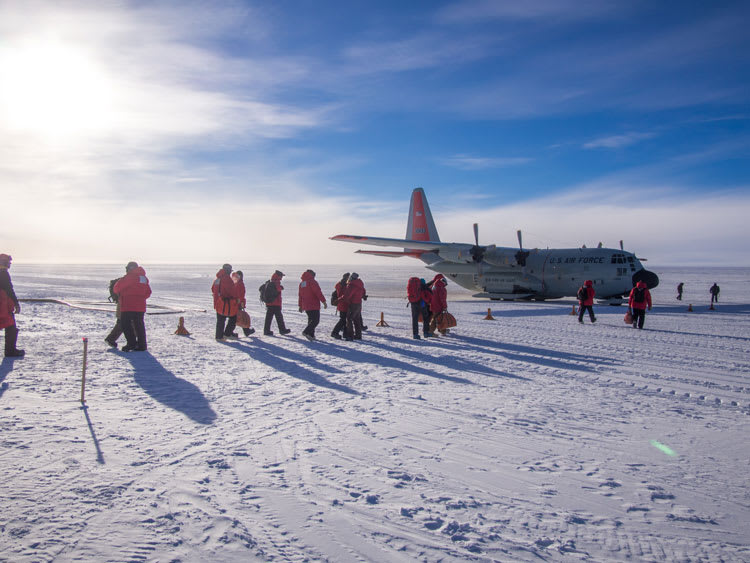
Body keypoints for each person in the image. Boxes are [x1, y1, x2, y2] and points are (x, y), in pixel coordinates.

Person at [113, 261, 152, 351]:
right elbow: (148, 292)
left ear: (129, 268)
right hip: (140, 307)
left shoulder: (129, 277)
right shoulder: (143, 278)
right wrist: (140, 298)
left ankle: (131, 344)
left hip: (128, 306)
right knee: (139, 325)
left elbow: (117, 288)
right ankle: (142, 345)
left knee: (126, 325)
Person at [0, 254, 24, 358]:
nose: (10, 264)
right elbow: (9, 290)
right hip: (3, 306)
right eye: (9, 262)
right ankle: (10, 351)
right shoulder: (4, 274)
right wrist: (16, 304)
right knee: (11, 327)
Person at [212, 263, 239, 340]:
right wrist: (236, 299)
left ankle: (219, 336)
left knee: (220, 320)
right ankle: (227, 334)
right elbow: (232, 291)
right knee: (233, 318)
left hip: (218, 303)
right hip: (227, 303)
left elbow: (213, 289)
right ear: (228, 271)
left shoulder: (217, 279)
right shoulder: (227, 279)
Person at [298, 269, 327, 341]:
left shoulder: (302, 283)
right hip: (313, 304)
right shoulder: (312, 282)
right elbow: (318, 292)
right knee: (315, 320)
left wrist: (300, 305)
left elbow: (300, 295)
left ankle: (311, 335)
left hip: (306, 305)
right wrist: (324, 301)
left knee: (311, 320)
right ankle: (306, 332)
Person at [263, 270, 291, 336]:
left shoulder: (271, 281)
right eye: (281, 276)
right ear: (279, 276)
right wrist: (281, 287)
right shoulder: (276, 281)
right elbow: (278, 289)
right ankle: (282, 330)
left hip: (269, 303)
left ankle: (266, 331)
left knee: (268, 318)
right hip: (275, 303)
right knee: (279, 318)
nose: (282, 277)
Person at [343, 272, 366, 341]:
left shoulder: (352, 285)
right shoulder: (360, 284)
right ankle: (358, 335)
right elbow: (363, 292)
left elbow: (347, 296)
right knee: (357, 319)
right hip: (359, 304)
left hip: (353, 304)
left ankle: (350, 335)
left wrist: (339, 300)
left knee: (349, 319)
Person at [232, 270, 255, 337]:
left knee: (237, 317)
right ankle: (245, 331)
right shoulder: (240, 283)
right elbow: (240, 294)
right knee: (237, 317)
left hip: (236, 302)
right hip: (238, 303)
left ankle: (246, 331)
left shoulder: (236, 283)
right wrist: (241, 303)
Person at [105, 274, 123, 348]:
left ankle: (111, 339)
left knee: (123, 323)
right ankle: (111, 339)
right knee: (123, 322)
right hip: (124, 304)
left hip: (123, 304)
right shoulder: (127, 281)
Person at [330, 273, 350, 340]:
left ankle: (345, 333)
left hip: (341, 304)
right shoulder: (345, 286)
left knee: (344, 319)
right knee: (343, 320)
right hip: (344, 304)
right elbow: (345, 296)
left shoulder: (339, 285)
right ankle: (335, 332)